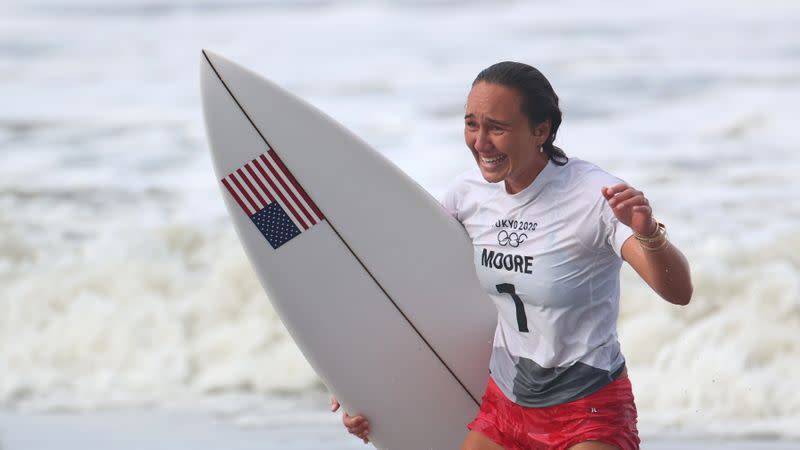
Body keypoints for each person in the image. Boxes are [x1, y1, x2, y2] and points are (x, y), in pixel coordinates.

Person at [330, 61, 693, 450]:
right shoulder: (467, 194)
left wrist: (647, 232)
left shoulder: (596, 197)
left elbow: (678, 291)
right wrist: (362, 386)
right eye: (472, 124)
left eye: (496, 128)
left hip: (587, 412)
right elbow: (407, 291)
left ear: (542, 130)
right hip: (505, 406)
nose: (480, 142)